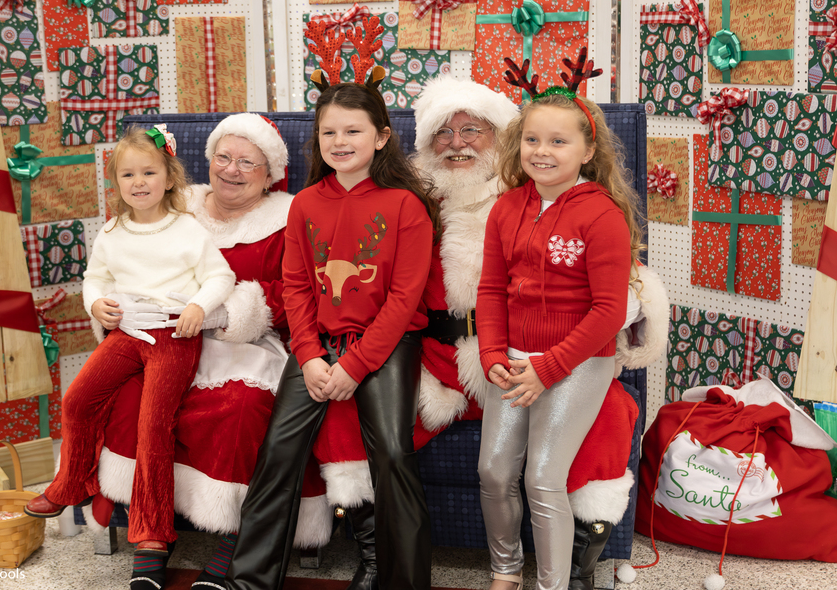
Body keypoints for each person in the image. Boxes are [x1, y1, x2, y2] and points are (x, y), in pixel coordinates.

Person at [320, 75, 665, 590]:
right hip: (442, 355)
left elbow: (613, 293)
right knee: (350, 411)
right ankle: (374, 553)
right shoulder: (405, 199)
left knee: (608, 417)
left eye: (472, 130)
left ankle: (574, 566)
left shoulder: (553, 196)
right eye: (444, 132)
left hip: (549, 353)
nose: (457, 143)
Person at [82, 115, 333, 586]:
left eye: (247, 163)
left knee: (243, 406)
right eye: (223, 157)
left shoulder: (289, 217)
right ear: (208, 159)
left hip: (247, 343)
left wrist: (226, 314)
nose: (232, 170)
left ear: (270, 173)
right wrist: (111, 308)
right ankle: (152, 536)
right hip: (162, 339)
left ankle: (238, 536)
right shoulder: (175, 203)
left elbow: (299, 291)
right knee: (130, 397)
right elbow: (120, 262)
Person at [211, 78, 441, 590]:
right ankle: (250, 581)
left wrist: (355, 366)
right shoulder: (306, 204)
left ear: (381, 137)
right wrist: (310, 357)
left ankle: (404, 582)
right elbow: (296, 288)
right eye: (328, 132)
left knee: (394, 455)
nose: (339, 141)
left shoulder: (406, 206)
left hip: (385, 345)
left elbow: (404, 301)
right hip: (316, 344)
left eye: (352, 131)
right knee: (278, 453)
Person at [22, 126, 236, 590]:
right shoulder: (113, 230)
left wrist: (198, 307)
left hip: (172, 334)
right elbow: (95, 279)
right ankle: (70, 483)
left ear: (168, 177)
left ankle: (154, 532)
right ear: (115, 183)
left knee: (154, 423)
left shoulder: (186, 228)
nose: (139, 182)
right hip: (127, 331)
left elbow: (222, 276)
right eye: (127, 174)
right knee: (77, 398)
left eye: (149, 172)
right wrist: (96, 304)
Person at [476, 58, 645, 590]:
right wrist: (491, 354)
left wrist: (548, 368)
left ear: (588, 153)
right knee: (494, 472)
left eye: (558, 142)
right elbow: (489, 291)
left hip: (578, 361)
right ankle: (505, 572)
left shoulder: (602, 216)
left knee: (542, 478)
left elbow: (608, 312)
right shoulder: (505, 208)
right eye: (531, 140)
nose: (542, 152)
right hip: (513, 361)